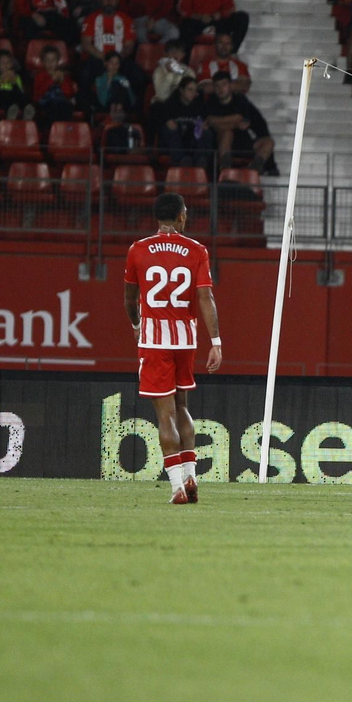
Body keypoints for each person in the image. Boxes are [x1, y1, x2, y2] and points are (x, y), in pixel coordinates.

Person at [123, 193, 223, 505]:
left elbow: (129, 299)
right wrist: (216, 342)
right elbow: (206, 298)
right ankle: (191, 473)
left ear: (157, 217)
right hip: (185, 340)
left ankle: (177, 487)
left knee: (164, 415)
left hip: (154, 342)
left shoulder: (137, 250)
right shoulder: (197, 250)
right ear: (181, 217)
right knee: (182, 408)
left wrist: (137, 324)